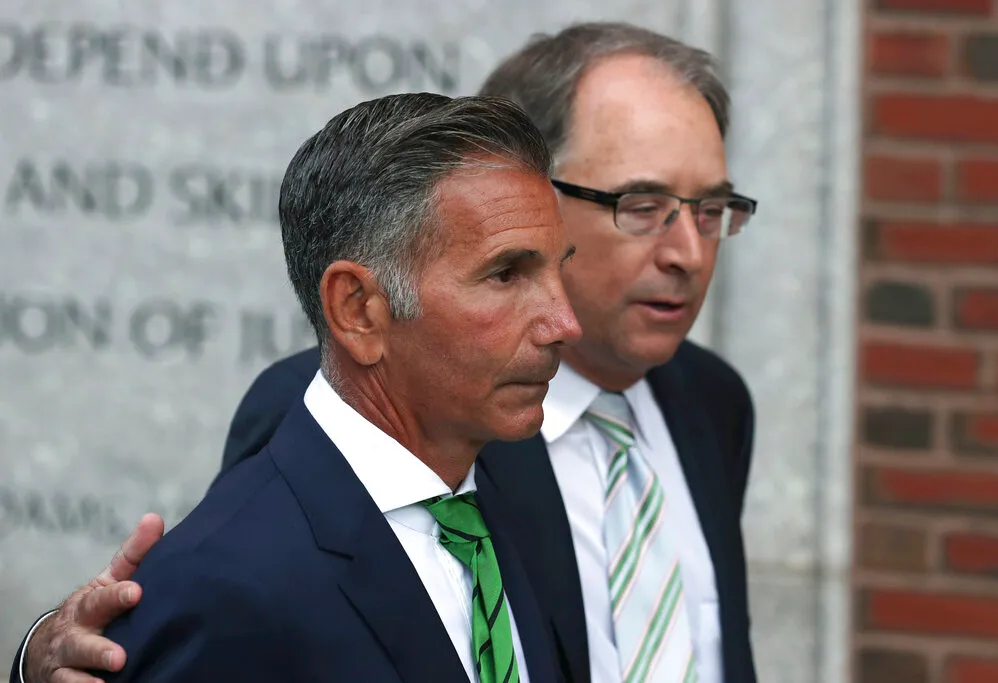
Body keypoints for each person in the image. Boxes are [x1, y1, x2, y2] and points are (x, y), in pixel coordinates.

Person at [13, 21, 760, 683]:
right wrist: (55, 655)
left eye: (713, 209)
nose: (690, 252)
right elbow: (238, 607)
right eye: (642, 206)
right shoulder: (357, 420)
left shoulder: (712, 406)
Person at [13, 91, 582, 683]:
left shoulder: (514, 497)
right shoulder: (223, 589)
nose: (565, 322)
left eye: (559, 268)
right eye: (506, 275)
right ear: (357, 310)